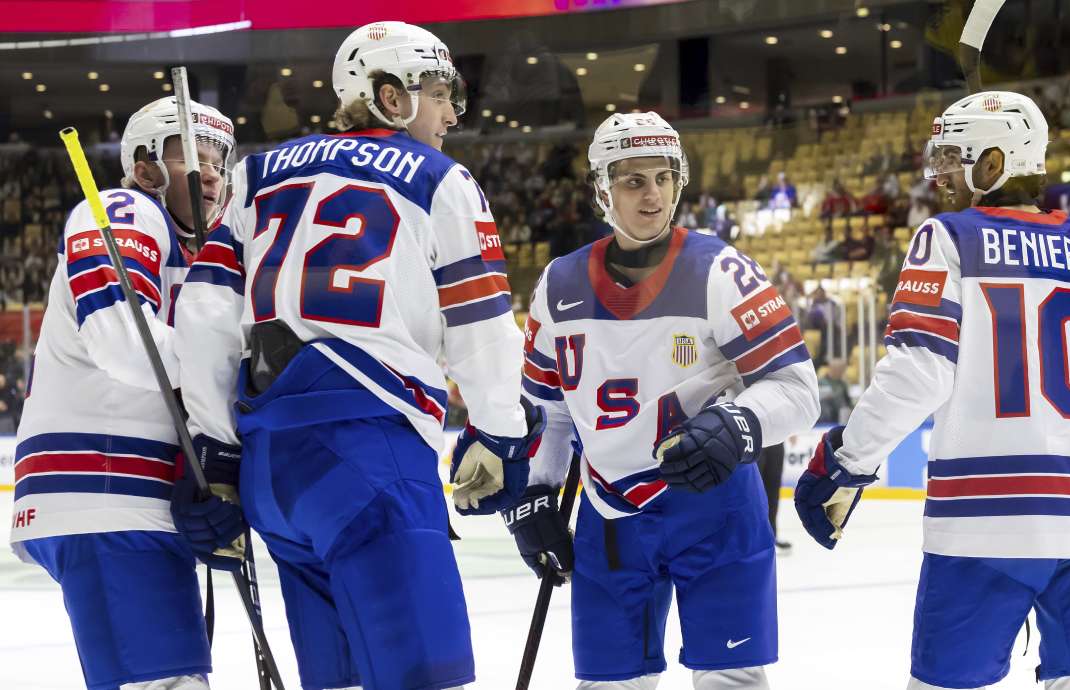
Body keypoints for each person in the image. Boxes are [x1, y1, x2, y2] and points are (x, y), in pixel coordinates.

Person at [173, 21, 539, 690]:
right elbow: (483, 324)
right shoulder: (440, 179)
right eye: (441, 93)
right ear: (390, 96)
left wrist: (218, 452)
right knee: (425, 680)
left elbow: (200, 318)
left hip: (271, 474)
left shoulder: (253, 174)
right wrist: (500, 432)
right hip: (371, 464)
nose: (454, 114)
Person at [794, 91, 1070, 690]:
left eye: (954, 156)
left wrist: (848, 460)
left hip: (982, 522)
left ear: (994, 164)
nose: (941, 173)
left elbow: (919, 373)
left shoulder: (949, 237)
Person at [507, 112, 821, 689]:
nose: (652, 195)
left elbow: (799, 390)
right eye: (633, 180)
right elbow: (546, 411)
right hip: (609, 516)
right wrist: (533, 494)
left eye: (663, 177)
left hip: (715, 506)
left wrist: (737, 424)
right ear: (602, 188)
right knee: (608, 684)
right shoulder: (557, 284)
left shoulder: (721, 270)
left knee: (731, 681)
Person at [9, 97, 236, 689]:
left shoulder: (200, 254)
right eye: (192, 154)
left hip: (134, 499)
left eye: (221, 159)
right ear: (143, 165)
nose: (212, 171)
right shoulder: (125, 209)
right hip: (104, 489)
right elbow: (121, 337)